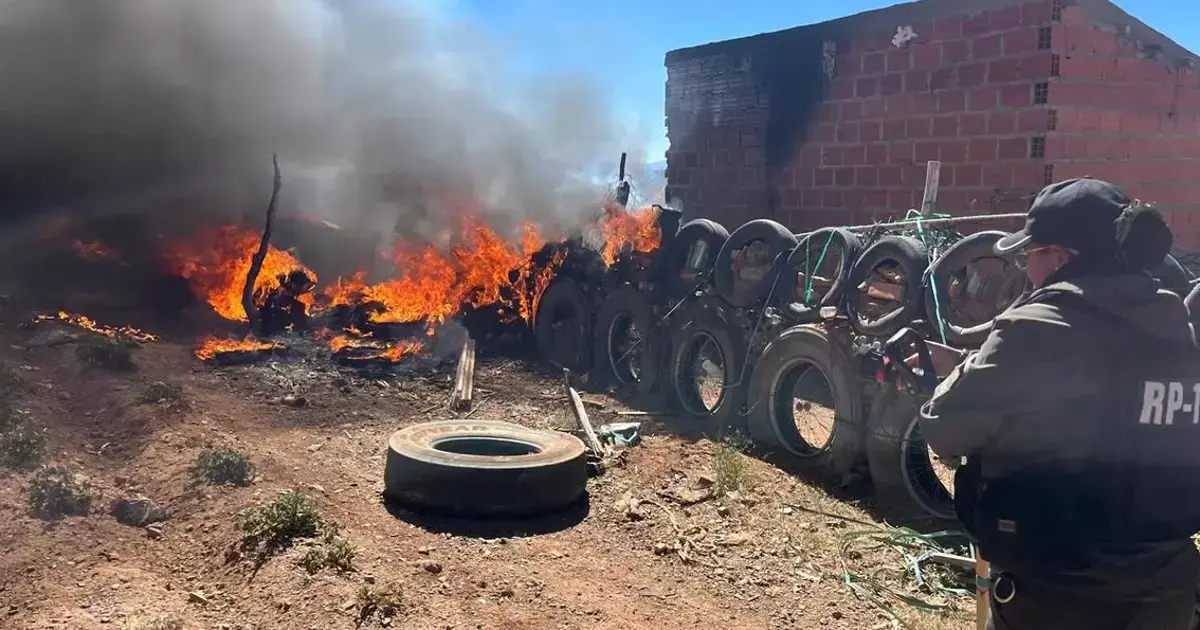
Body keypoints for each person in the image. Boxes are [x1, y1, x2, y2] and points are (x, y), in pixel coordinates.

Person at [916, 178, 1200, 630]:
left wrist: (962, 372)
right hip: (1165, 590)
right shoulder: (1175, 324)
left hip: (1059, 594)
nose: (1025, 267)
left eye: (1031, 253)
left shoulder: (1037, 325)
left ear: (1061, 257)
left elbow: (945, 426)